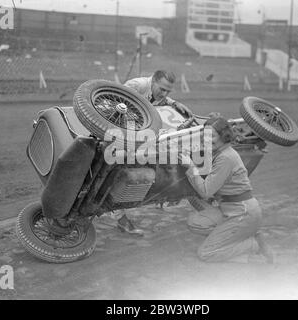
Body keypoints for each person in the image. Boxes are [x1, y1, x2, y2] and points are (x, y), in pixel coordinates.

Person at [178, 115, 274, 263]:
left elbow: (205, 192)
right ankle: (244, 236)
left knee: (206, 253)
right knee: (197, 222)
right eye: (205, 136)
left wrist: (190, 167)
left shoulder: (225, 158)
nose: (207, 140)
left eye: (212, 136)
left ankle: (253, 245)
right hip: (237, 210)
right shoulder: (222, 153)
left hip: (242, 213)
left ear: (224, 136)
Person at [114, 70, 192, 235]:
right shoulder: (137, 85)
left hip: (138, 129)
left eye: (168, 91)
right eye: (162, 89)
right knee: (120, 170)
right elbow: (117, 102)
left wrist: (173, 102)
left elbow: (159, 99)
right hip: (116, 126)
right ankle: (121, 217)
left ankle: (161, 192)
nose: (164, 93)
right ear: (153, 81)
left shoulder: (160, 93)